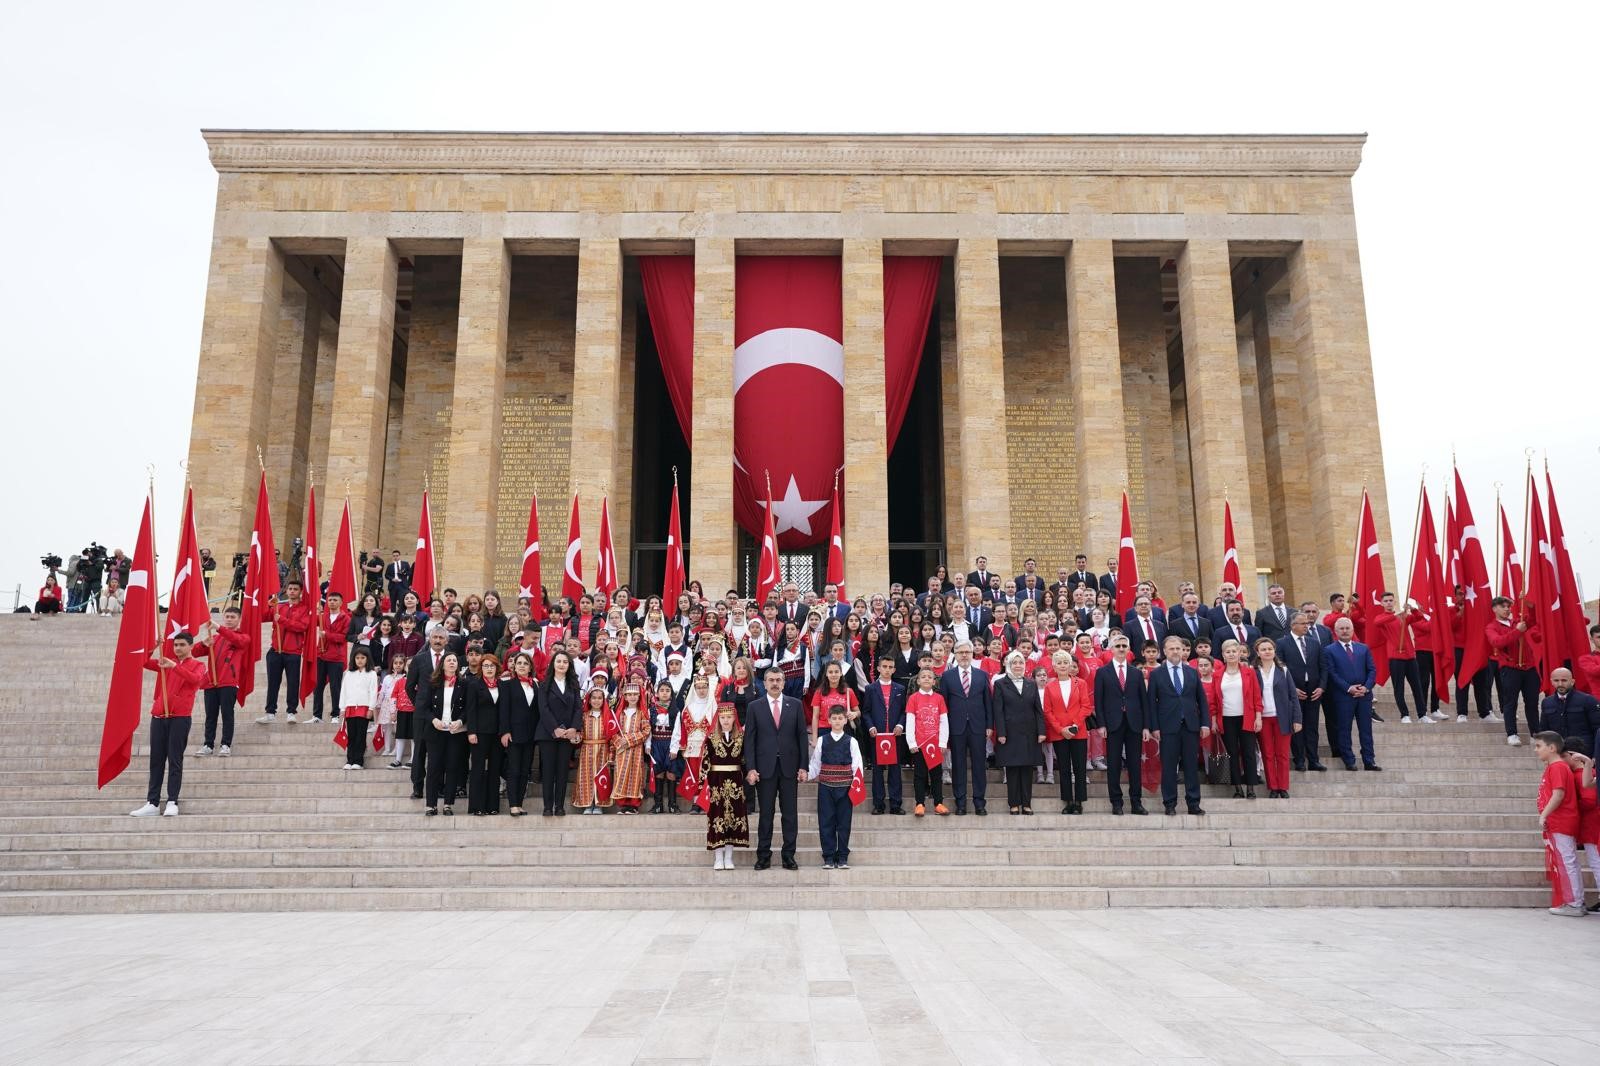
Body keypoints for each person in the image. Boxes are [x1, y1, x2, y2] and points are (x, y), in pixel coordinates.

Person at [127, 632, 211, 817]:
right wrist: (154, 647)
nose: (178, 648)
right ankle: (153, 802)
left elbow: (196, 680)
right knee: (156, 760)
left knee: (175, 759)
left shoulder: (198, 665)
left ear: (190, 646)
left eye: (182, 645)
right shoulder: (167, 663)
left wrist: (173, 666)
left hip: (180, 717)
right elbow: (143, 661)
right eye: (175, 645)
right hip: (159, 716)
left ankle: (172, 800)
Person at [745, 664, 809, 870]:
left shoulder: (796, 705)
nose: (774, 683)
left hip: (789, 768)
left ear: (784, 682)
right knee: (766, 815)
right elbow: (750, 740)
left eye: (778, 680)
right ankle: (763, 856)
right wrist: (751, 768)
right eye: (770, 680)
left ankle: (788, 855)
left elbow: (801, 737)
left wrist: (803, 766)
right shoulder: (754, 707)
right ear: (764, 683)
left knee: (790, 815)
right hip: (764, 769)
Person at [1149, 635, 1212, 816]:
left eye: (1178, 648)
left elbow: (1201, 700)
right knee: (1169, 767)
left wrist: (1205, 724)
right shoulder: (1156, 674)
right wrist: (1155, 727)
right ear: (1165, 652)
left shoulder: (1192, 672)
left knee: (1191, 766)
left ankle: (1193, 803)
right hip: (1167, 727)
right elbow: (1152, 703)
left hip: (1190, 726)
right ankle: (1169, 803)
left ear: (1184, 651)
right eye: (1171, 649)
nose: (1175, 652)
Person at [1093, 635, 1149, 815]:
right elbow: (1098, 700)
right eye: (1118, 645)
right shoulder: (1103, 672)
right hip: (1112, 724)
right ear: (1111, 649)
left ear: (1129, 649)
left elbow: (1143, 701)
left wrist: (1146, 726)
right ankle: (1116, 803)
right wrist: (1101, 724)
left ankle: (1136, 802)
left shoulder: (1136, 673)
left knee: (1134, 765)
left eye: (1125, 645)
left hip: (1134, 724)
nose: (1122, 648)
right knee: (1114, 764)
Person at [808, 703, 864, 869]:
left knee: (844, 823)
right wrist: (806, 775)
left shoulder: (851, 741)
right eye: (834, 718)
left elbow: (857, 764)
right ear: (829, 720)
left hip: (845, 787)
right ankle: (828, 857)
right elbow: (815, 764)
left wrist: (856, 784)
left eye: (840, 718)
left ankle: (843, 857)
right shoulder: (821, 741)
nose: (837, 721)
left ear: (845, 721)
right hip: (825, 787)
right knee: (826, 822)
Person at [1535, 731, 1585, 916]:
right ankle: (1574, 901)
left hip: (1561, 820)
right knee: (1567, 860)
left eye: (1539, 746)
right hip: (1560, 821)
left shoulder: (1558, 767)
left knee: (1567, 861)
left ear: (1552, 748)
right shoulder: (1557, 767)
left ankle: (1574, 903)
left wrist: (1544, 815)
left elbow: (1558, 794)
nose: (1536, 750)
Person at [939, 641, 992, 816]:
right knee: (958, 766)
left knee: (979, 765)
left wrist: (989, 725)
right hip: (956, 727)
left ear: (972, 654)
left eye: (967, 652)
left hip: (978, 726)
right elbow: (944, 705)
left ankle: (979, 803)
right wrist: (944, 731)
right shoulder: (947, 676)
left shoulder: (982, 675)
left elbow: (988, 703)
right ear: (954, 653)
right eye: (960, 652)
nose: (964, 655)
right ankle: (960, 803)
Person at [1322, 618, 1380, 772]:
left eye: (1347, 628)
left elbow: (1372, 670)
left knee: (1366, 729)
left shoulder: (1363, 648)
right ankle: (1349, 760)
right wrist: (1349, 688)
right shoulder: (1329, 650)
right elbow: (1332, 673)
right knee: (1344, 729)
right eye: (1341, 628)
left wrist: (1366, 688)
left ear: (1353, 630)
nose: (1345, 631)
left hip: (1364, 696)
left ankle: (1369, 760)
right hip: (1343, 696)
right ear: (1335, 631)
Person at [1208, 639, 1263, 799]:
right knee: (1231, 753)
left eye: (1234, 651)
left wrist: (1258, 717)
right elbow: (1213, 701)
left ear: (1239, 653)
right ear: (1223, 655)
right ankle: (1237, 788)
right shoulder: (1217, 675)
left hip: (1247, 718)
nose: (1231, 654)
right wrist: (1213, 721)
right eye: (1228, 652)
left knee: (1249, 753)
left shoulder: (1249, 672)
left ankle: (1251, 787)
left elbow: (1256, 696)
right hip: (1226, 719)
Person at [993, 651, 1045, 815]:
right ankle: (1014, 804)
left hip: (1029, 732)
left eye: (1020, 663)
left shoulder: (1031, 683)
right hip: (1009, 733)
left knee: (1027, 769)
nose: (1017, 666)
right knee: (1013, 770)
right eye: (1014, 663)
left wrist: (1041, 731)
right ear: (1008, 664)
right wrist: (1001, 732)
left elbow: (1038, 710)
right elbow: (998, 711)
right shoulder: (1000, 684)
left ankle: (1026, 804)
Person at [1487, 596, 1543, 746]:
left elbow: (1533, 619)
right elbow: (1497, 642)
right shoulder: (1491, 627)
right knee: (1510, 702)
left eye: (1508, 606)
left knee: (1532, 702)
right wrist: (1517, 632)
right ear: (1494, 609)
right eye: (1503, 606)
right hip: (1510, 668)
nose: (1506, 609)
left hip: (1529, 667)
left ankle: (1535, 734)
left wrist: (1531, 606)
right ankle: (1512, 733)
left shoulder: (1517, 622)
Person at [1043, 651, 1093, 815]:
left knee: (1079, 768)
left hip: (1078, 732)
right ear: (1054, 666)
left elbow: (1086, 706)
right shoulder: (1049, 686)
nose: (1063, 665)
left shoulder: (1081, 683)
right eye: (1060, 663)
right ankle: (1068, 801)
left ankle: (1079, 801)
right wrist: (1060, 729)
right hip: (1059, 733)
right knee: (1064, 768)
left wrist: (1074, 726)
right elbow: (1048, 711)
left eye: (1066, 662)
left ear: (1071, 665)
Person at [194, 610, 249, 757]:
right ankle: (208, 745)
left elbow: (237, 640)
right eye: (227, 617)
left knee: (227, 714)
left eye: (233, 617)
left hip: (228, 682)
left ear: (239, 619)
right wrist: (203, 644)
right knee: (210, 716)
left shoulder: (243, 637)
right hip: (211, 682)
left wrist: (219, 628)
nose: (229, 620)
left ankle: (225, 744)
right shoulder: (216, 638)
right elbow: (194, 652)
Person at [1278, 611, 1328, 773]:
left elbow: (1323, 667)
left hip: (1314, 691)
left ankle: (1314, 760)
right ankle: (1299, 760)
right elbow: (1281, 668)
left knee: (1312, 727)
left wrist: (1321, 687)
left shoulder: (1314, 643)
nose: (1307, 626)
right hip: (1294, 691)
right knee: (1297, 727)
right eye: (1303, 623)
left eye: (1308, 623)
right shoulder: (1282, 643)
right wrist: (1292, 689)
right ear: (1293, 626)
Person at [1253, 637, 1301, 798]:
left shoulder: (1283, 670)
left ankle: (1283, 786)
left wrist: (1297, 719)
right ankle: (1273, 786)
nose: (1267, 652)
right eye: (1263, 649)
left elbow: (1293, 696)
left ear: (1274, 651)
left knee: (1282, 754)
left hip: (1283, 717)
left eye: (1270, 649)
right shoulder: (1253, 671)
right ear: (1258, 653)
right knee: (1267, 753)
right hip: (1263, 718)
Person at [404, 629, 449, 799]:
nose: (438, 640)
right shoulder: (419, 658)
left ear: (446, 641)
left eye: (441, 638)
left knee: (440, 752)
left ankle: (439, 786)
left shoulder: (451, 658)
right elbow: (410, 686)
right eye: (435, 637)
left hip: (444, 712)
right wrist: (419, 703)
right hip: (422, 714)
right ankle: (417, 785)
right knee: (420, 751)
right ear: (429, 639)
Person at [423, 652, 469, 816]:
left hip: (455, 732)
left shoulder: (463, 684)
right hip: (436, 732)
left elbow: (467, 709)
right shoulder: (433, 683)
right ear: (442, 664)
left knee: (452, 767)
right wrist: (433, 720)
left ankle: (448, 804)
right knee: (434, 768)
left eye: (454, 660)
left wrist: (461, 721)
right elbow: (424, 707)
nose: (451, 663)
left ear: (457, 665)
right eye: (448, 660)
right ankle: (431, 805)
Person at [536, 649, 581, 816]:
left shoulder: (573, 685)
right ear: (553, 664)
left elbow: (578, 708)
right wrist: (555, 728)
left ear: (569, 665)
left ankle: (559, 806)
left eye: (565, 662)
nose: (561, 664)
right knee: (548, 771)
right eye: (558, 661)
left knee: (562, 771)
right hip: (548, 734)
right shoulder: (544, 684)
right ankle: (547, 806)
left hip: (567, 734)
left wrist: (573, 728)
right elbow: (543, 709)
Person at [706, 702, 750, 870]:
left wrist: (749, 775)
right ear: (718, 718)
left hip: (736, 784)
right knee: (718, 818)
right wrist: (703, 786)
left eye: (729, 717)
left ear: (734, 718)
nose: (726, 720)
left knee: (733, 819)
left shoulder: (740, 737)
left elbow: (746, 761)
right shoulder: (711, 738)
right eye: (723, 717)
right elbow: (705, 762)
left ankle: (729, 857)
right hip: (716, 783)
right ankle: (718, 858)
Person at [863, 654, 906, 815]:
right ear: (879, 668)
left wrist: (901, 724)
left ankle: (895, 804)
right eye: (884, 667)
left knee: (895, 770)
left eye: (890, 667)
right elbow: (866, 712)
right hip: (878, 736)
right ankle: (878, 804)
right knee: (877, 771)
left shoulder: (900, 689)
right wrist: (870, 727)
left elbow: (904, 711)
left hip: (894, 736)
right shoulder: (870, 689)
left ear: (894, 669)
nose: (887, 670)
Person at [497, 652, 539, 816]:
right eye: (519, 663)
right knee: (514, 769)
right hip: (513, 733)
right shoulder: (508, 685)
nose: (522, 666)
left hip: (530, 734)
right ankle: (513, 804)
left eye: (525, 663)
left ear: (530, 667)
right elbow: (504, 710)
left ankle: (520, 804)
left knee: (524, 770)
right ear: (514, 666)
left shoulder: (535, 685)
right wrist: (505, 731)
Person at [905, 666, 949, 816]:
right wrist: (911, 743)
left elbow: (944, 721)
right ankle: (919, 803)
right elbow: (910, 721)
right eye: (923, 676)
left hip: (935, 745)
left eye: (929, 677)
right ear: (918, 681)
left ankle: (938, 803)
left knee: (936, 774)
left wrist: (943, 742)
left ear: (934, 681)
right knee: (920, 775)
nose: (926, 679)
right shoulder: (913, 698)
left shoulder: (939, 699)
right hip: (920, 745)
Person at [612, 679, 652, 814]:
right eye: (629, 695)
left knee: (635, 775)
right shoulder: (619, 713)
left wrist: (628, 740)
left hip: (635, 750)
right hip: (621, 751)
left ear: (639, 696)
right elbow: (613, 731)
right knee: (621, 775)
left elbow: (646, 731)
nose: (632, 697)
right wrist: (619, 741)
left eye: (635, 695)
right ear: (625, 696)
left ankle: (633, 805)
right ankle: (623, 804)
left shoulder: (642, 713)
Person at [310, 591, 349, 724]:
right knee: (317, 686)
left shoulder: (346, 618)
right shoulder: (322, 616)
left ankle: (335, 715)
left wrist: (327, 635)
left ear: (341, 603)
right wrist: (314, 609)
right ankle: (317, 715)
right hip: (321, 655)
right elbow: (308, 621)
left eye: (335, 600)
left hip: (336, 658)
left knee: (335, 687)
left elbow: (344, 638)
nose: (332, 602)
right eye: (330, 600)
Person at [1540, 668, 1600, 755]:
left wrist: (1596, 756)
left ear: (1572, 681)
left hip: (1584, 754)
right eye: (1556, 680)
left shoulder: (1588, 700)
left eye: (1564, 680)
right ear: (1551, 682)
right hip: (1559, 754)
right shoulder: (1547, 702)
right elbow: (1544, 731)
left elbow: (1597, 729)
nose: (1560, 684)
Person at [339, 646, 379, 770]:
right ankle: (349, 760)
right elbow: (344, 691)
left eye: (362, 658)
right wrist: (342, 708)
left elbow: (373, 691)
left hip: (364, 708)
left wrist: (371, 708)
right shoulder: (348, 674)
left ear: (367, 659)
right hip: (350, 707)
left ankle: (358, 761)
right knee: (351, 735)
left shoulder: (371, 674)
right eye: (357, 658)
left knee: (360, 735)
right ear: (353, 659)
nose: (360, 660)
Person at [382, 653, 414, 769]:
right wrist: (392, 712)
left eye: (413, 665)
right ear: (405, 667)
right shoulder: (400, 681)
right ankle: (398, 759)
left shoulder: (420, 681)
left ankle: (412, 759)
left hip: (414, 713)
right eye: (408, 665)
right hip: (401, 712)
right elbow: (393, 696)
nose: (410, 668)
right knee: (400, 736)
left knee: (414, 737)